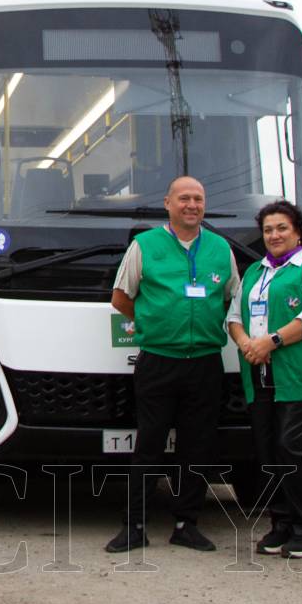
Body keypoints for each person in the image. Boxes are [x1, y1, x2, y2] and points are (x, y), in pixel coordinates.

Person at [106, 175, 241, 553]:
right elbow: (120, 297)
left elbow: (233, 296)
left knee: (197, 447)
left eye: (198, 198)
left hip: (205, 364)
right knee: (148, 444)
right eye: (184, 198)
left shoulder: (220, 249)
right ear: (168, 203)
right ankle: (134, 526)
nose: (192, 205)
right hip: (158, 362)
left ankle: (186, 524)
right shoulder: (145, 246)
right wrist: (155, 323)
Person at [226, 200, 302, 559]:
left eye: (282, 228)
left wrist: (270, 342)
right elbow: (233, 317)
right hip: (260, 374)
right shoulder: (255, 274)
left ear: (298, 232)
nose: (274, 235)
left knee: (291, 448)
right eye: (268, 230)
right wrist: (247, 344)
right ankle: (280, 524)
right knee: (268, 451)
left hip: (299, 376)